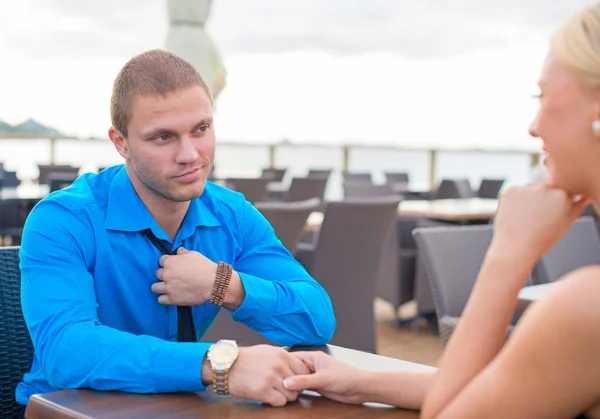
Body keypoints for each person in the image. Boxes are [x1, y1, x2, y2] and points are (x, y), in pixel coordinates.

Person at [284, 3, 600, 418]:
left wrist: (508, 253)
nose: (534, 126)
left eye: (542, 97)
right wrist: (360, 380)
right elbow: (510, 388)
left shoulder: (586, 307)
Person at [17, 49, 335, 409]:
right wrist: (220, 364)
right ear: (120, 142)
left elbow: (317, 320)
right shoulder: (62, 219)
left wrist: (223, 284)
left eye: (201, 129)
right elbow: (66, 351)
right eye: (163, 137)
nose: (190, 155)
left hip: (179, 407)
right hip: (66, 411)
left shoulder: (232, 214)